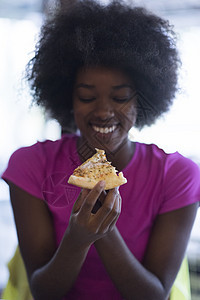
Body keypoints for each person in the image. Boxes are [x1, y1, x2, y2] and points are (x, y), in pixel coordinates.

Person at [2, 1, 200, 299]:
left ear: (141, 100)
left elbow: (155, 294)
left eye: (120, 97)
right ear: (68, 98)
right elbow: (42, 291)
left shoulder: (177, 175)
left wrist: (103, 232)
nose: (104, 111)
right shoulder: (30, 165)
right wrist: (78, 239)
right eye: (86, 96)